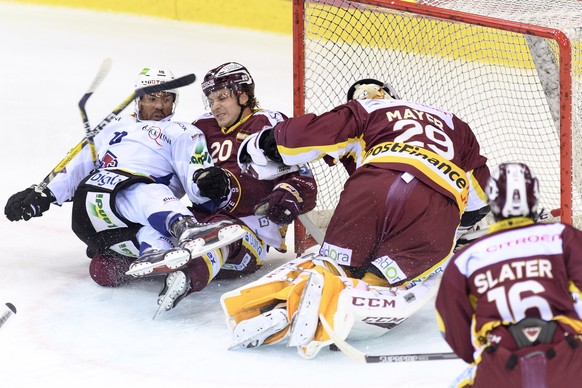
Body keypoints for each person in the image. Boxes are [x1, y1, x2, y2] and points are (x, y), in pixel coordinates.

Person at [219, 78, 491, 357]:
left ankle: (285, 304)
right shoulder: (456, 125)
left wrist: (264, 143)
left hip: (371, 188)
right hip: (435, 200)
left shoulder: (366, 109)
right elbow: (480, 198)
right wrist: (458, 227)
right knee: (386, 275)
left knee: (337, 263)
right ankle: (348, 295)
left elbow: (310, 133)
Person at [4, 67, 236, 312]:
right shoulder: (112, 127)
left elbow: (195, 178)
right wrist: (42, 194)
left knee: (103, 270)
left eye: (166, 99)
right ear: (138, 100)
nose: (159, 106)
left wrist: (207, 183)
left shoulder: (183, 132)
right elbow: (76, 167)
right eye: (152, 98)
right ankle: (185, 228)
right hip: (96, 200)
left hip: (125, 224)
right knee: (147, 190)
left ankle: (154, 252)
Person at [127, 62, 318, 303]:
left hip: (249, 228)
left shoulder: (267, 123)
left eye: (222, 98)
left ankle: (187, 277)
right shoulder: (201, 127)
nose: (215, 106)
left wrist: (288, 195)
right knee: (148, 233)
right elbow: (175, 173)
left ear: (243, 95)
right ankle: (132, 256)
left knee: (223, 234)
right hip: (202, 219)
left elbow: (304, 178)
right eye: (211, 99)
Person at [435, 162, 582, 387]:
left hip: (500, 367)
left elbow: (451, 323)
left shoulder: (467, 257)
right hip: (569, 360)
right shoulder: (563, 237)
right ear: (534, 197)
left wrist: (482, 354)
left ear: (493, 201)